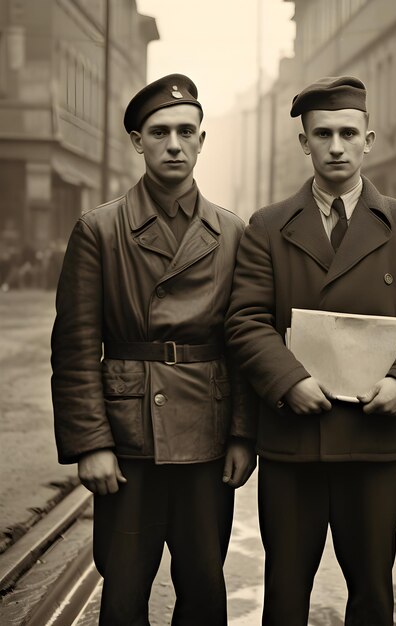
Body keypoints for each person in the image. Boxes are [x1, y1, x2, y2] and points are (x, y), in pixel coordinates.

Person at [226, 76, 396, 625]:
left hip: (373, 443)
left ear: (368, 139)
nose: (335, 146)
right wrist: (287, 382)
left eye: (348, 133)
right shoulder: (268, 225)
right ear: (303, 142)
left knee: (373, 592)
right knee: (284, 592)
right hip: (292, 443)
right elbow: (246, 320)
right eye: (321, 133)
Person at [51, 74, 256, 625]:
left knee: (204, 592)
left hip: (206, 436)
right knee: (123, 592)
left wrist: (242, 433)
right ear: (138, 142)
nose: (174, 144)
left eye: (186, 131)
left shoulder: (232, 233)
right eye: (160, 132)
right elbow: (73, 349)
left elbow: (243, 343)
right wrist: (90, 443)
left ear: (202, 141)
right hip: (128, 438)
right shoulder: (99, 228)